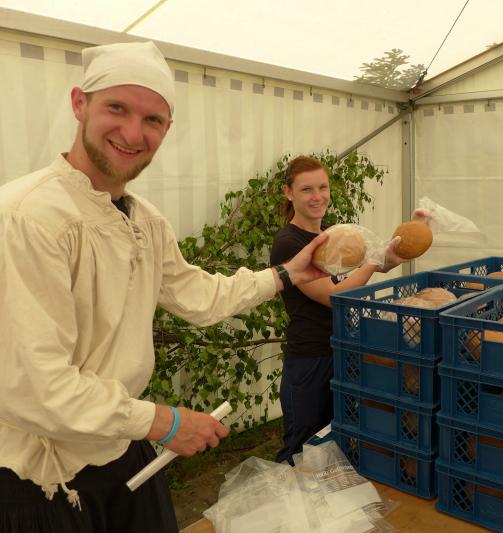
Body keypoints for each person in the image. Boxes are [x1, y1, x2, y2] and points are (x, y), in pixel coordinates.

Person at [0, 41, 329, 533]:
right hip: (42, 476)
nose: (133, 133)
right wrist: (166, 423)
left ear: (167, 129)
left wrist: (285, 275)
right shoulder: (27, 217)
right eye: (117, 108)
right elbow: (36, 388)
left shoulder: (144, 220)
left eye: (152, 119)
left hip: (119, 444)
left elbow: (199, 296)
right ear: (79, 104)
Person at [269, 156, 427, 465]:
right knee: (303, 447)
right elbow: (335, 296)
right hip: (311, 358)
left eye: (323, 187)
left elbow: (362, 273)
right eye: (307, 189)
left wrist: (408, 237)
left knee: (335, 441)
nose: (317, 196)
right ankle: (285, 493)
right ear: (289, 193)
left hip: (340, 350)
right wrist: (372, 261)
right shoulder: (289, 243)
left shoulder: (328, 236)